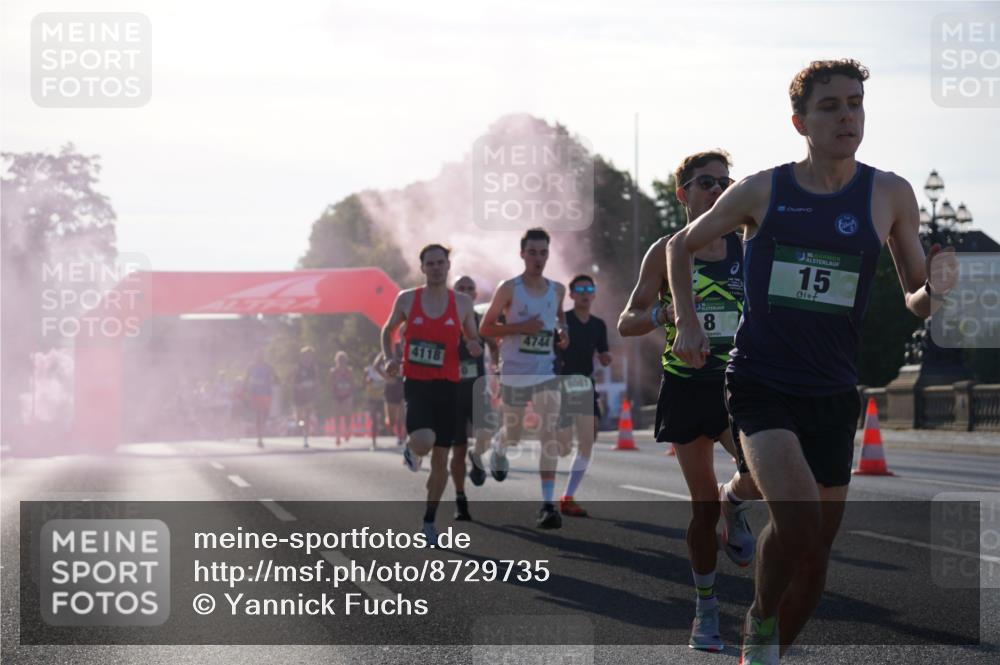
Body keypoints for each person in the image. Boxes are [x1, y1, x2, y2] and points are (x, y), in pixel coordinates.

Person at [665, 60, 958, 663]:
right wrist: (688, 320)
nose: (847, 116)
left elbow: (914, 297)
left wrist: (937, 290)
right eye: (830, 106)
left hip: (833, 390)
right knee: (797, 524)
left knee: (815, 556)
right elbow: (679, 245)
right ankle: (759, 620)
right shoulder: (763, 190)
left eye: (855, 103)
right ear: (800, 122)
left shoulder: (890, 194)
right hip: (761, 382)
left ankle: (765, 641)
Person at [620, 149, 762, 652]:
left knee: (762, 478)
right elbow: (627, 321)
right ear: (683, 193)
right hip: (686, 386)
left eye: (725, 182)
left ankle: (734, 501)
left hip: (739, 383)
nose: (718, 190)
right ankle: (706, 610)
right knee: (701, 511)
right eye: (706, 183)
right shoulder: (664, 251)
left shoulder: (749, 245)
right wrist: (667, 316)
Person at [380, 244, 483, 545]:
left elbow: (473, 338)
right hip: (418, 385)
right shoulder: (407, 299)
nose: (436, 268)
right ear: (422, 268)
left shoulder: (462, 303)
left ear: (448, 265)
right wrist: (389, 358)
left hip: (449, 388)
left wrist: (474, 345)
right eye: (431, 263)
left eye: (441, 262)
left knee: (441, 462)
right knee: (424, 441)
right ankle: (412, 449)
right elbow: (388, 330)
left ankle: (429, 521)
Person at [479, 228, 570, 529]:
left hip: (544, 371)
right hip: (515, 371)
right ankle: (500, 445)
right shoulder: (509, 289)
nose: (538, 258)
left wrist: (563, 331)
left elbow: (559, 316)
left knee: (548, 432)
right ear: (522, 254)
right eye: (532, 252)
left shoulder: (557, 289)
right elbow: (485, 328)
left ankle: (547, 505)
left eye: (543, 253)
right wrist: (520, 327)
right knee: (515, 432)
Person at [553, 274, 612, 518]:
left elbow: (604, 352)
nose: (585, 294)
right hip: (563, 384)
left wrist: (606, 357)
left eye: (589, 290)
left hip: (586, 384)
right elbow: (550, 352)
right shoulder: (562, 321)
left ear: (594, 294)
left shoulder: (598, 325)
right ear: (572, 294)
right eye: (580, 290)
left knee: (589, 437)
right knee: (564, 446)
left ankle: (568, 497)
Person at [451, 276, 500, 520]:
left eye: (470, 288)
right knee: (458, 449)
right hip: (451, 393)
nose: (466, 291)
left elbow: (494, 344)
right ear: (453, 292)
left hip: (477, 390)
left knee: (485, 434)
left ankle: (477, 456)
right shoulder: (445, 320)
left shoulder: (481, 320)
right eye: (461, 288)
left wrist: (496, 367)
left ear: (475, 294)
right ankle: (460, 500)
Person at [245, 349, 277, 448]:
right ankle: (259, 437)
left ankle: (262, 430)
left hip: (266, 393)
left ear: (264, 356)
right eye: (257, 355)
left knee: (265, 414)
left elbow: (276, 378)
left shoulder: (268, 367)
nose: (259, 357)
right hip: (255, 394)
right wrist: (246, 390)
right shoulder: (251, 367)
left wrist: (273, 381)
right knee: (258, 414)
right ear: (255, 356)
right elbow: (246, 379)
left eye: (261, 355)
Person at [292, 346, 320, 448]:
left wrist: (316, 389)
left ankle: (305, 438)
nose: (308, 358)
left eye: (310, 355)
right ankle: (300, 424)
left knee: (307, 416)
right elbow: (293, 381)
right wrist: (299, 386)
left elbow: (316, 381)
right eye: (306, 355)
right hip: (299, 395)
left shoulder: (314, 368)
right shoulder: (298, 368)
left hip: (309, 395)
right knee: (299, 419)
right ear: (302, 356)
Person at [329, 351, 354, 446]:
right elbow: (331, 384)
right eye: (339, 360)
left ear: (346, 360)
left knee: (347, 415)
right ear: (336, 360)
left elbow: (352, 383)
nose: (341, 361)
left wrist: (350, 394)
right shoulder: (333, 371)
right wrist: (334, 395)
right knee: (337, 417)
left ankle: (347, 430)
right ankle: (337, 436)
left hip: (347, 396)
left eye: (343, 359)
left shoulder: (349, 371)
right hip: (337, 396)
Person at [383, 342, 406, 445]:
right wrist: (386, 377)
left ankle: (401, 436)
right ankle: (390, 422)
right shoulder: (390, 351)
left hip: (402, 385)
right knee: (392, 420)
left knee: (402, 414)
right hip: (391, 388)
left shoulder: (408, 350)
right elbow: (376, 365)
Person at [364, 352, 386, 450]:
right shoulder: (367, 370)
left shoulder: (383, 369)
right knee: (374, 420)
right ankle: (374, 442)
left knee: (382, 417)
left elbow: (388, 380)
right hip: (372, 397)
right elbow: (365, 383)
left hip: (382, 397)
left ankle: (382, 424)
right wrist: (369, 381)